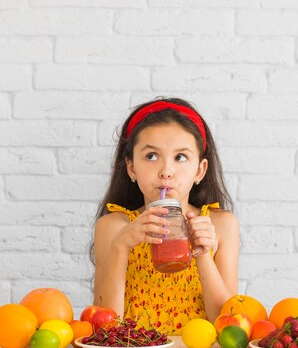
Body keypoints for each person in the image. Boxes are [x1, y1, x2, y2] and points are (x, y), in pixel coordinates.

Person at [91, 98, 239, 335]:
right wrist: (121, 245)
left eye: (180, 157)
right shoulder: (113, 226)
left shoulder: (221, 225)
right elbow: (106, 328)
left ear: (199, 170)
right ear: (131, 168)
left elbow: (229, 323)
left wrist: (203, 255)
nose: (166, 171)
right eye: (151, 156)